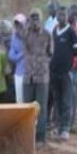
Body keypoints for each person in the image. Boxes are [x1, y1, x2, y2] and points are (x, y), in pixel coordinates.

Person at [19, 7, 53, 144]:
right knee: (27, 107)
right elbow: (19, 34)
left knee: (41, 107)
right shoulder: (26, 34)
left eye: (37, 17)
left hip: (42, 76)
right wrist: (27, 25)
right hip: (28, 76)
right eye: (32, 18)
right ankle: (28, 135)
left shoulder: (47, 34)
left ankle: (40, 136)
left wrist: (41, 65)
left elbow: (51, 53)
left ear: (41, 19)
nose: (35, 20)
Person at [49, 7, 77, 140]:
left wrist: (70, 64)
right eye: (59, 15)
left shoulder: (71, 32)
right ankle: (57, 126)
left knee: (66, 100)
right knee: (57, 99)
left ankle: (65, 128)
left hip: (66, 72)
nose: (61, 17)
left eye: (63, 15)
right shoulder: (55, 30)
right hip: (54, 71)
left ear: (67, 17)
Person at [8, 14, 27, 103]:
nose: (18, 27)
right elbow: (12, 56)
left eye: (20, 24)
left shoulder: (29, 36)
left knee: (29, 99)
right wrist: (22, 54)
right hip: (19, 73)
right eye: (16, 24)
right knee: (19, 99)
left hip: (30, 73)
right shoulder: (14, 38)